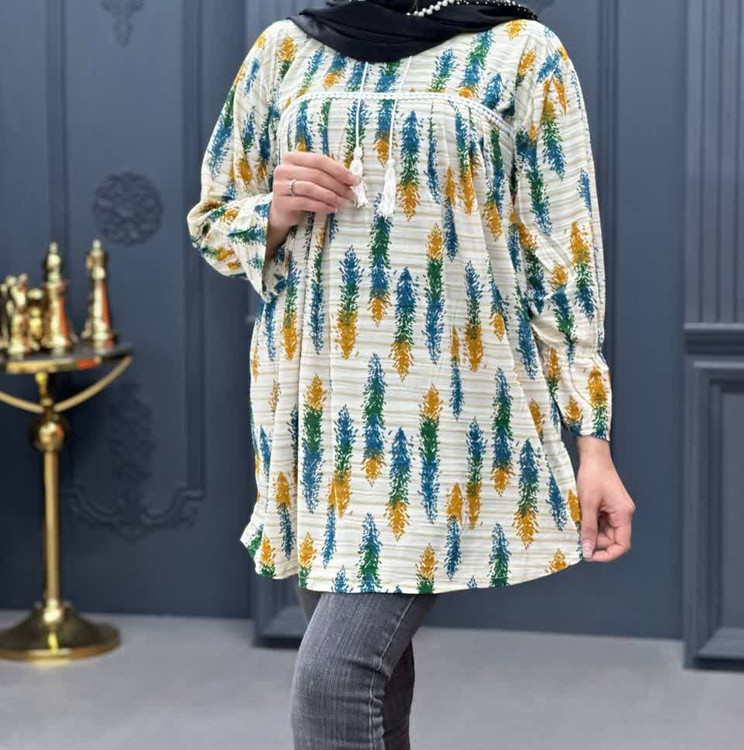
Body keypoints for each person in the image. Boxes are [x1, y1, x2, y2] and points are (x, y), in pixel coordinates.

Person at [186, 1, 636, 746]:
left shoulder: (522, 51)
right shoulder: (285, 49)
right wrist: (277, 209)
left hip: (449, 413)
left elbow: (565, 261)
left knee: (334, 682)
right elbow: (213, 220)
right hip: (316, 415)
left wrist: (593, 443)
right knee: (376, 687)